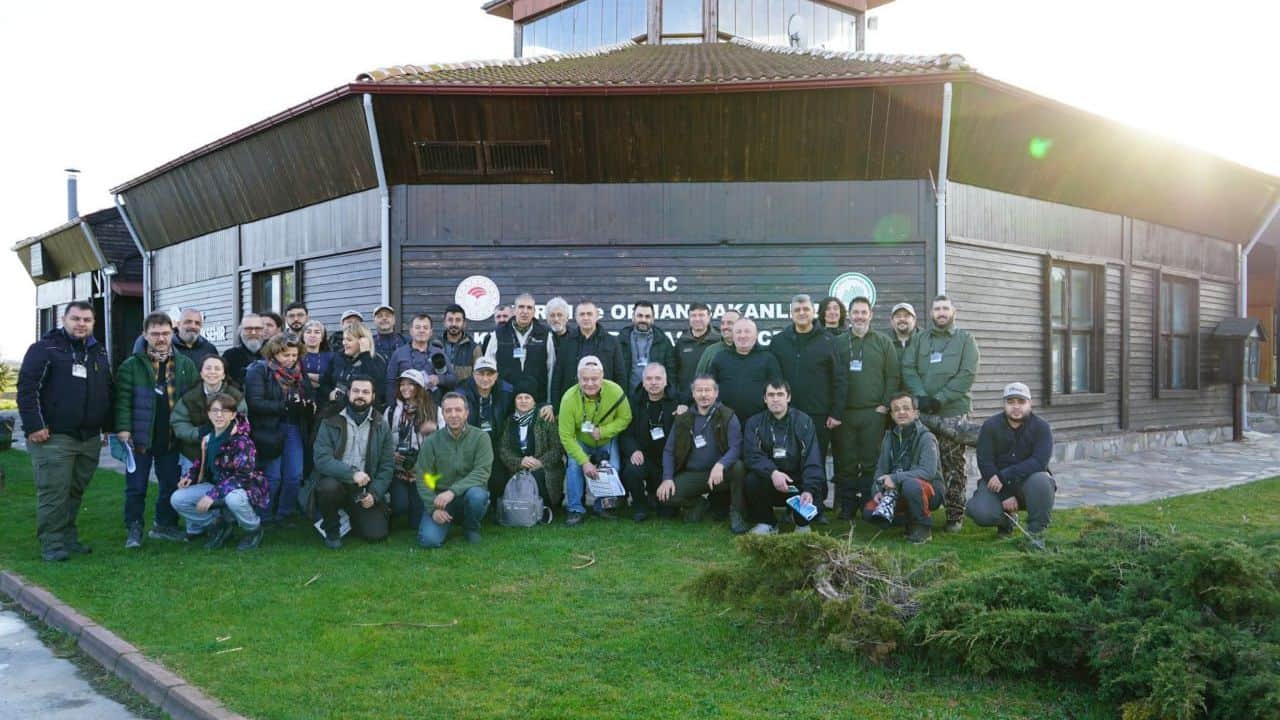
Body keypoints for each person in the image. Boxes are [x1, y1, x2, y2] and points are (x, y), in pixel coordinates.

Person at [17, 301, 113, 562]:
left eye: (87, 320)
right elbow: (27, 390)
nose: (81, 324)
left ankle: (68, 538)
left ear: (93, 323)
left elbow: (106, 390)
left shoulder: (98, 351)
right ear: (63, 319)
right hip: (53, 437)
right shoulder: (44, 349)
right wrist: (35, 425)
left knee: (74, 491)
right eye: (76, 319)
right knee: (54, 492)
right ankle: (52, 543)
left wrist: (106, 427)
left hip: (88, 438)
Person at [116, 311, 199, 548]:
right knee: (136, 487)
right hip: (139, 438)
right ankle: (134, 528)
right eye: (155, 334)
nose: (161, 338)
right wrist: (123, 429)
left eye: (165, 333)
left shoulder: (185, 364)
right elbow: (122, 400)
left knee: (170, 484)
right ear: (145, 335)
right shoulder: (131, 365)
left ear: (173, 333)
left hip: (171, 437)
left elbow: (194, 399)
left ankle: (164, 525)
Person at [902, 295, 980, 532]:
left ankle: (955, 515)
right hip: (923, 413)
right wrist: (922, 396)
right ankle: (920, 510)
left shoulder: (966, 339)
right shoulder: (919, 339)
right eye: (937, 308)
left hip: (953, 413)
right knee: (921, 462)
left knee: (953, 465)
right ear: (931, 313)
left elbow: (967, 374)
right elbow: (908, 368)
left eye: (945, 308)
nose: (941, 312)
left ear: (953, 311)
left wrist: (941, 398)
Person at [769, 294, 844, 519]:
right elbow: (773, 378)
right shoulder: (779, 341)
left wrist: (836, 412)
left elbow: (839, 379)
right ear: (791, 313)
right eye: (797, 310)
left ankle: (816, 507)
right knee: (789, 460)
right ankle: (791, 507)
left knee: (815, 460)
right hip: (787, 413)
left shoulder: (828, 340)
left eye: (805, 309)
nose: (801, 313)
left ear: (813, 312)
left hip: (818, 413)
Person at [303, 376, 395, 549]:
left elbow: (387, 466)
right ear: (348, 393)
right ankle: (332, 530)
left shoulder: (381, 424)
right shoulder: (330, 420)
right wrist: (352, 474)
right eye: (356, 391)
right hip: (336, 482)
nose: (360, 395)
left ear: (373, 396)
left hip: (364, 489)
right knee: (328, 487)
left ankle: (352, 516)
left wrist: (374, 494)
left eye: (365, 392)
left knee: (376, 534)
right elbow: (322, 460)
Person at [170, 394, 269, 551]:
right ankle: (218, 525)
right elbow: (202, 461)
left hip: (242, 488)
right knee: (178, 499)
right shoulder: (208, 437)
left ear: (233, 415)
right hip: (216, 485)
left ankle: (253, 529)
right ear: (209, 414)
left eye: (225, 411)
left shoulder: (242, 441)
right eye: (215, 411)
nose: (219, 415)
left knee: (233, 499)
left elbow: (243, 475)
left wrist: (212, 495)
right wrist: (190, 476)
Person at [833, 296, 900, 519]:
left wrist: (885, 405)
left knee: (871, 461)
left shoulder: (883, 342)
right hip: (845, 413)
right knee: (846, 461)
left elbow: (893, 376)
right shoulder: (838, 342)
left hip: (874, 413)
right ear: (849, 316)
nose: (859, 316)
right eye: (856, 312)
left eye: (864, 312)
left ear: (871, 315)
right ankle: (847, 506)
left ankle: (868, 503)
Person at [967, 382, 1055, 541]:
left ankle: (1036, 533)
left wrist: (1004, 476)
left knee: (1042, 481)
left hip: (1028, 482)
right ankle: (1006, 521)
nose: (1016, 407)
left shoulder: (1042, 427)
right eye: (1011, 402)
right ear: (1004, 404)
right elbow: (985, 462)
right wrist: (1005, 494)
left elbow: (1039, 462)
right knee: (980, 511)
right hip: (996, 484)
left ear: (1030, 403)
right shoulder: (990, 426)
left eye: (1021, 402)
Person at [658, 375, 746, 527]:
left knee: (738, 467)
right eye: (699, 390)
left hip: (720, 474)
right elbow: (669, 451)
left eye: (708, 390)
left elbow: (736, 447)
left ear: (716, 393)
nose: (703, 395)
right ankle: (698, 503)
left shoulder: (727, 415)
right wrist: (667, 478)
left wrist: (721, 464)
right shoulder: (683, 418)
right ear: (693, 394)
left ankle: (737, 513)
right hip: (694, 474)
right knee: (666, 496)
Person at [245, 335, 313, 525]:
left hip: (294, 427)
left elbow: (308, 392)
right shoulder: (259, 370)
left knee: (294, 475)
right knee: (272, 476)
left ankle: (285, 513)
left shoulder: (299, 371)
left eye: (294, 355)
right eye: (286, 355)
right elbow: (254, 403)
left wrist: (307, 404)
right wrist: (285, 406)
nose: (291, 359)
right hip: (268, 429)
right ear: (274, 353)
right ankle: (264, 515)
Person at [743, 381, 825, 535]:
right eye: (771, 395)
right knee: (751, 480)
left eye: (780, 394)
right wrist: (773, 472)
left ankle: (800, 523)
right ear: (765, 399)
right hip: (770, 480)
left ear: (788, 397)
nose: (775, 399)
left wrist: (809, 489)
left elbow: (812, 458)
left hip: (797, 483)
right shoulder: (754, 423)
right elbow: (751, 455)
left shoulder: (804, 421)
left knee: (811, 501)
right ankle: (768, 523)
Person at [557, 356, 632, 526]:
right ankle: (575, 509)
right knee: (574, 466)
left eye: (594, 379)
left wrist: (604, 431)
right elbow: (566, 436)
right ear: (578, 378)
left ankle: (603, 506)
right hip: (580, 440)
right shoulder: (568, 399)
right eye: (585, 379)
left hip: (606, 439)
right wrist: (585, 462)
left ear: (602, 377)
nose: (590, 383)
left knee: (613, 466)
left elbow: (626, 417)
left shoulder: (616, 391)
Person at [863, 393, 944, 545]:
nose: (901, 412)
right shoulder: (889, 437)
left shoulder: (926, 437)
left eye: (906, 408)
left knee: (911, 485)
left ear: (916, 413)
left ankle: (923, 528)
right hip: (898, 490)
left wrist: (894, 478)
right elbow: (880, 470)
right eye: (896, 409)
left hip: (929, 490)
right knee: (869, 512)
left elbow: (928, 472)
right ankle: (909, 519)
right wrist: (877, 491)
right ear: (892, 415)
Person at [415, 392, 494, 548]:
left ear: (466, 413)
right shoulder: (431, 441)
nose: (453, 415)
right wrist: (433, 509)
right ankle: (445, 522)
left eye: (458, 410)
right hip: (441, 500)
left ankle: (471, 527)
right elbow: (423, 477)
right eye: (448, 410)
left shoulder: (481, 438)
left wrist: (452, 491)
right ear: (443, 414)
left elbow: (482, 472)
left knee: (478, 496)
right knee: (428, 541)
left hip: (468, 494)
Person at [496, 376, 566, 516]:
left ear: (534, 401)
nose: (523, 401)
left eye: (527, 397)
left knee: (537, 476)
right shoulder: (509, 421)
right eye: (519, 397)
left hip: (544, 468)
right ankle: (516, 511)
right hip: (517, 467)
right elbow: (503, 449)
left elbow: (557, 448)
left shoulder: (545, 418)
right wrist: (520, 462)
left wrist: (540, 462)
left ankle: (543, 508)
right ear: (514, 401)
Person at [619, 362, 679, 522]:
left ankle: (655, 495)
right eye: (649, 379)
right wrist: (633, 450)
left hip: (667, 460)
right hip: (643, 456)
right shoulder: (633, 402)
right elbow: (625, 433)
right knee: (632, 470)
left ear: (666, 381)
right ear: (643, 382)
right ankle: (639, 505)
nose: (653, 383)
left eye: (658, 378)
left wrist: (685, 411)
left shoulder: (677, 401)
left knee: (667, 513)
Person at [385, 369, 442, 531]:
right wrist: (391, 454)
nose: (405, 388)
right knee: (400, 506)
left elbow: (445, 441)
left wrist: (434, 431)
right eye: (402, 384)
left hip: (423, 472)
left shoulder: (434, 410)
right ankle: (387, 509)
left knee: (416, 523)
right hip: (398, 470)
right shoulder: (391, 411)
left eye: (411, 384)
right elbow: (382, 440)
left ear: (420, 387)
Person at [172, 355, 245, 469]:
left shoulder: (235, 396)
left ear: (223, 375)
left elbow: (243, 422)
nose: (212, 372)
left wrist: (221, 435)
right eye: (208, 368)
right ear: (201, 373)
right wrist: (199, 433)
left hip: (226, 454)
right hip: (193, 455)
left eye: (217, 368)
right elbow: (179, 422)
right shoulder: (189, 397)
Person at [480, 293, 555, 404]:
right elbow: (488, 368)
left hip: (537, 400)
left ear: (534, 311)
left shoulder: (545, 334)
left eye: (529, 308)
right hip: (504, 400)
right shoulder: (498, 334)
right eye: (521, 307)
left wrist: (549, 402)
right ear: (514, 310)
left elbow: (551, 370)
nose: (525, 311)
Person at [458, 357, 515, 499]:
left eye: (490, 374)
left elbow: (525, 402)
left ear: (496, 375)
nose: (485, 378)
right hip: (471, 445)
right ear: (473, 374)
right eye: (481, 373)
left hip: (496, 444)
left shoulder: (506, 391)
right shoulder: (462, 394)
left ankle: (495, 504)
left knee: (498, 482)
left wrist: (544, 406)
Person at [708, 318, 782, 424]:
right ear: (733, 336)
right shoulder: (720, 357)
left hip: (760, 422)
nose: (742, 336)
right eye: (738, 332)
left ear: (756, 335)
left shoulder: (768, 358)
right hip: (725, 421)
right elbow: (710, 387)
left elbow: (777, 389)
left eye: (747, 331)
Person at [551, 301, 626, 402]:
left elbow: (620, 376)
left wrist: (619, 402)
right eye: (582, 314)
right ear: (576, 318)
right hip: (572, 402)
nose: (585, 318)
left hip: (604, 402)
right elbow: (557, 377)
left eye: (589, 314)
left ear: (597, 316)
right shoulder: (566, 342)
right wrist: (556, 405)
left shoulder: (611, 342)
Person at [385, 313, 455, 402]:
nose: (421, 331)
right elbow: (390, 382)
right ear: (411, 331)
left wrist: (439, 379)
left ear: (431, 332)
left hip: (432, 405)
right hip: (406, 405)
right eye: (417, 327)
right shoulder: (399, 354)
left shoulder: (439, 353)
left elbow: (453, 379)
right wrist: (392, 405)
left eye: (425, 328)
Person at [321, 322, 388, 413]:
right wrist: (329, 394)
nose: (344, 343)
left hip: (363, 413)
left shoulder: (376, 360)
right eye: (344, 339)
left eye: (349, 340)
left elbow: (379, 388)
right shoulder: (338, 358)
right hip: (336, 411)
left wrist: (365, 355)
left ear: (363, 341)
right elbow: (324, 383)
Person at [617, 301, 676, 396]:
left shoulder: (663, 341)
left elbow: (671, 372)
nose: (643, 320)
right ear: (633, 317)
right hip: (627, 396)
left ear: (653, 319)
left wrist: (670, 395)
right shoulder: (621, 340)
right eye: (640, 316)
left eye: (647, 316)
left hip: (655, 398)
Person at [131, 308, 219, 368]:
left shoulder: (209, 349)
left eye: (197, 323)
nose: (193, 326)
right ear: (178, 324)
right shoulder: (164, 345)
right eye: (188, 322)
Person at [674, 302, 719, 402]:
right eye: (693, 315)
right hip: (686, 399)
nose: (697, 319)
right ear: (689, 318)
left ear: (709, 317)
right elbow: (675, 372)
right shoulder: (682, 342)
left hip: (712, 399)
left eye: (701, 315)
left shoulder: (718, 342)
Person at [693, 309, 741, 377]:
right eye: (722, 323)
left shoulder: (750, 350)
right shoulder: (710, 351)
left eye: (730, 323)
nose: (725, 327)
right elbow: (699, 379)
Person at [222, 313, 265, 388]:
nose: (253, 333)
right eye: (248, 329)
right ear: (240, 331)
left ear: (264, 332)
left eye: (258, 328)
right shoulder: (230, 356)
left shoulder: (272, 354)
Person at [441, 304, 477, 381]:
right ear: (444, 322)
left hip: (465, 389)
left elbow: (478, 377)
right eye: (450, 320)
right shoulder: (435, 345)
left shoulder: (474, 348)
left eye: (458, 320)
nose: (454, 324)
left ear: (464, 323)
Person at [301, 320, 333, 398]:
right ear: (303, 337)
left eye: (317, 332)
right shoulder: (295, 356)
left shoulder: (331, 357)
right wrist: (319, 379)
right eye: (308, 332)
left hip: (325, 398)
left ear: (322, 338)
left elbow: (332, 379)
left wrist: (306, 375)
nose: (312, 335)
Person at [889, 302, 921, 373]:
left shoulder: (924, 339)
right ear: (892, 321)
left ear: (914, 319)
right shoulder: (885, 342)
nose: (902, 319)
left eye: (906, 316)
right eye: (898, 316)